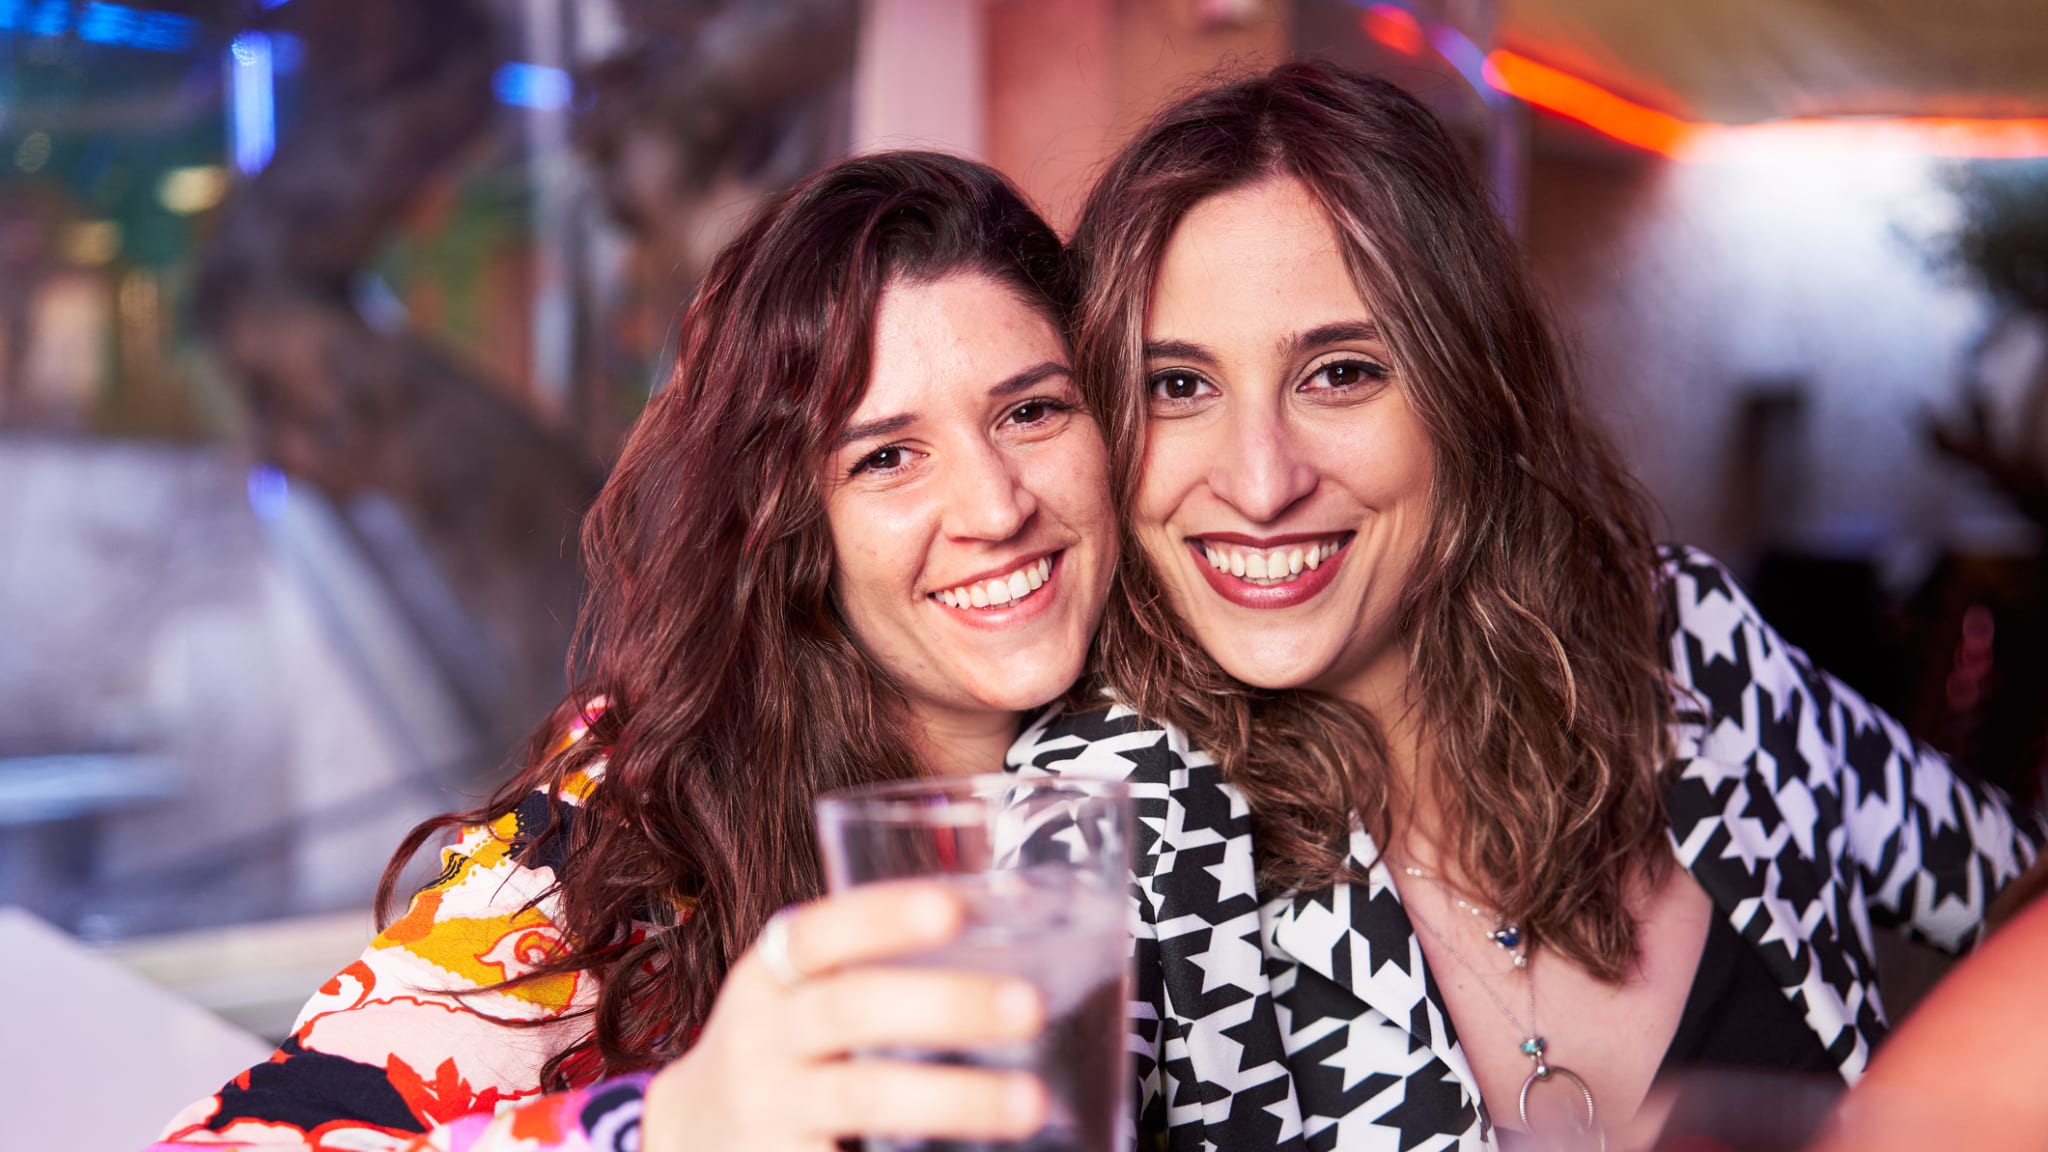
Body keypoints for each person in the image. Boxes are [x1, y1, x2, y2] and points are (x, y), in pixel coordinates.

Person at [1002, 61, 2045, 1151]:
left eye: (1341, 372)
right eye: (1178, 387)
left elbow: (2016, 888)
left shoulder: (1679, 638)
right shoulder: (1104, 807)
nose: (1260, 483)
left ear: (1467, 387)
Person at [152, 151, 1116, 1151]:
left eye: (1030, 411)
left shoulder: (1201, 753)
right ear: (790, 521)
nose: (997, 506)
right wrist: (666, 1127)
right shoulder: (633, 820)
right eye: (884, 456)